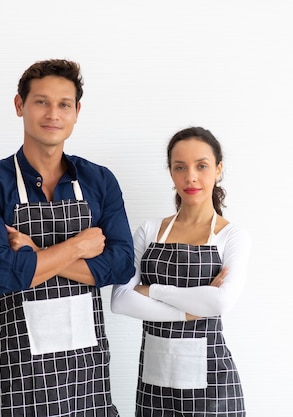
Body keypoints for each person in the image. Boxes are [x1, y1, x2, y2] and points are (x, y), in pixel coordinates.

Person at [0, 58, 135, 417]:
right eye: (41, 101)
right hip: (18, 367)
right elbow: (2, 274)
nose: (52, 113)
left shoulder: (99, 181)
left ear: (76, 112)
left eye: (63, 104)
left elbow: (120, 266)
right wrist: (78, 247)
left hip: (87, 369)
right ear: (19, 105)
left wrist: (36, 254)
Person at [111, 126, 251, 416]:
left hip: (213, 386)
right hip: (153, 385)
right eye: (180, 167)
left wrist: (153, 291)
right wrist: (188, 310)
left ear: (218, 169)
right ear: (171, 173)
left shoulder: (231, 236)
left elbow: (219, 302)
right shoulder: (149, 231)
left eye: (201, 166)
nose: (191, 177)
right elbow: (120, 300)